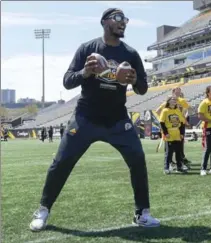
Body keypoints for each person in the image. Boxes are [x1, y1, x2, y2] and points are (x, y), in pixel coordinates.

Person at [29, 8, 160, 232]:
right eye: (118, 19)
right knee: (61, 162)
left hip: (117, 119)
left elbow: (143, 89)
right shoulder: (88, 49)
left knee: (137, 159)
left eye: (125, 20)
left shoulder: (130, 53)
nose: (123, 23)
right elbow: (67, 81)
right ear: (105, 22)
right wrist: (86, 73)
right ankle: (43, 209)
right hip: (86, 117)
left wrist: (136, 79)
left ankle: (142, 213)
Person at [156, 87, 192, 166]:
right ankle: (169, 162)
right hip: (169, 127)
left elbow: (189, 109)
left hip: (179, 125)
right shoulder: (167, 102)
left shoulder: (182, 101)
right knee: (169, 146)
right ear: (173, 92)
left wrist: (185, 119)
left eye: (180, 91)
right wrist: (164, 121)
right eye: (177, 91)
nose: (178, 93)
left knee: (179, 145)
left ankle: (180, 162)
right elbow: (158, 111)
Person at [160, 96, 187, 174]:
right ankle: (166, 168)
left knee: (178, 152)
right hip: (169, 134)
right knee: (169, 152)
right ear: (168, 101)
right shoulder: (165, 111)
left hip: (177, 134)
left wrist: (182, 133)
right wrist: (166, 133)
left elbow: (182, 123)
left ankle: (179, 167)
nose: (175, 101)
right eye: (173, 100)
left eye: (175, 100)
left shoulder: (177, 111)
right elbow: (162, 122)